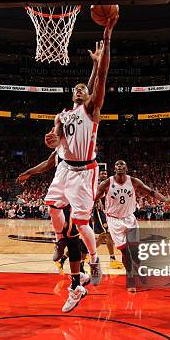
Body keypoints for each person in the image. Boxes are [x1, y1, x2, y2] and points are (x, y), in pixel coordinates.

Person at [44, 15, 118, 286]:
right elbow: (57, 137)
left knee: (82, 222)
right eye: (75, 89)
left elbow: (100, 79)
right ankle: (60, 239)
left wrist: (105, 44)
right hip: (65, 167)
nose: (79, 90)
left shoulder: (91, 110)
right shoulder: (62, 115)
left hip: (85, 170)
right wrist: (52, 140)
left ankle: (95, 259)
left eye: (83, 89)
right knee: (51, 206)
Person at [17, 152, 91, 312]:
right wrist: (29, 172)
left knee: (72, 238)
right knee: (65, 230)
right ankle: (80, 274)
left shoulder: (82, 149)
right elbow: (48, 162)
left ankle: (77, 287)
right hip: (62, 198)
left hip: (76, 196)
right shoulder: (61, 150)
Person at [94, 160, 170, 291]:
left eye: (122, 164)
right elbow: (94, 198)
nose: (120, 166)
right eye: (117, 165)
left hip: (129, 218)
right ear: (114, 168)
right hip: (114, 221)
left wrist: (164, 199)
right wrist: (93, 204)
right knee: (126, 253)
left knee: (135, 252)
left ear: (126, 168)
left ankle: (139, 268)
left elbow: (151, 192)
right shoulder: (106, 183)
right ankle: (130, 278)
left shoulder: (134, 181)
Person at [93, 169, 123, 269]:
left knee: (102, 236)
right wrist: (98, 201)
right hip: (100, 211)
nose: (104, 175)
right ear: (99, 175)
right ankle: (112, 259)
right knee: (108, 234)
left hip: (108, 211)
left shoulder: (110, 184)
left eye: (105, 173)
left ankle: (89, 254)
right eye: (102, 173)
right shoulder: (97, 184)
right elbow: (94, 196)